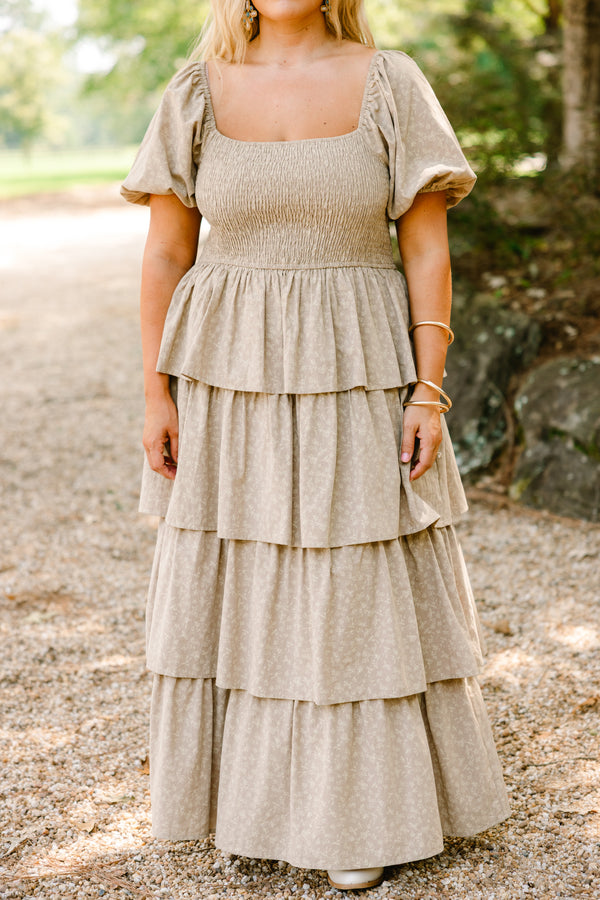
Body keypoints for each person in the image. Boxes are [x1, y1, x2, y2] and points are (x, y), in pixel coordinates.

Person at [120, 0, 510, 891]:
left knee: (351, 584)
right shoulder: (193, 91)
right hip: (230, 373)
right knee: (248, 579)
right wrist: (154, 392)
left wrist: (429, 386)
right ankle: (245, 803)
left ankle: (353, 817)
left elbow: (426, 250)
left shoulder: (391, 82)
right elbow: (165, 255)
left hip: (359, 364)